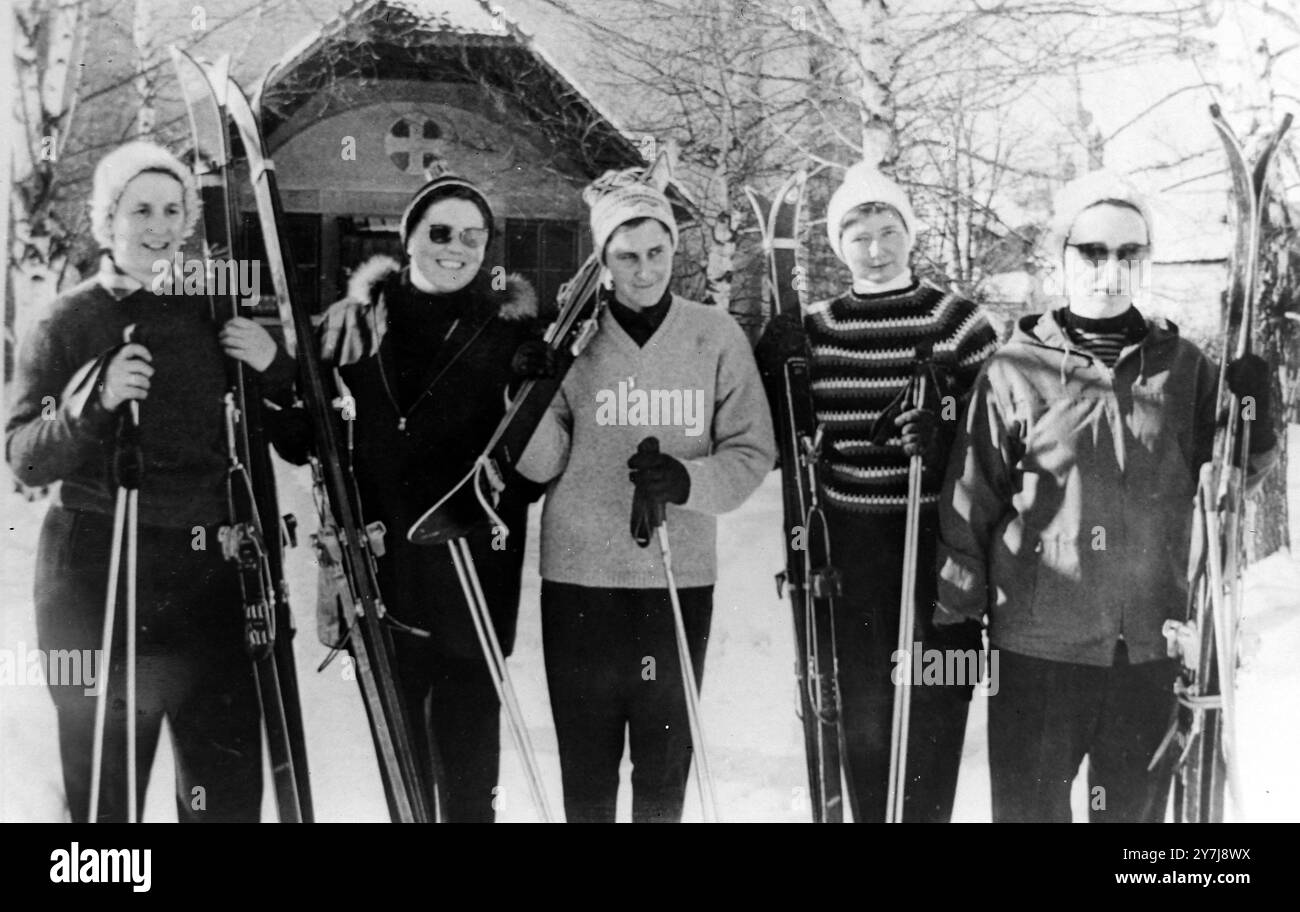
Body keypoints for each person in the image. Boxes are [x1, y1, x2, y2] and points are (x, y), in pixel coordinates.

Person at [934, 170, 1277, 822]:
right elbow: (970, 500)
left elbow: (1230, 483)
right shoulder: (1015, 368)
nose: (1110, 270)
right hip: (1037, 648)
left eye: (1129, 254)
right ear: (1060, 256)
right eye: (1092, 251)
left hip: (1149, 647)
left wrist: (1256, 428)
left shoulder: (1184, 368)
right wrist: (956, 618)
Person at [5, 140, 296, 822]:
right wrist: (90, 404)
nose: (160, 227)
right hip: (98, 562)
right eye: (141, 210)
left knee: (222, 782)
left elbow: (298, 432)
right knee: (107, 785)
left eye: (173, 210)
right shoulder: (66, 319)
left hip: (206, 571)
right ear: (108, 221)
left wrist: (273, 365)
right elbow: (22, 457)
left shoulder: (213, 313)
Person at [517, 168, 775, 822]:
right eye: (626, 256)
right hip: (580, 578)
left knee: (663, 767)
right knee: (587, 765)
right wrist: (528, 393)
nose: (643, 270)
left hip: (675, 576)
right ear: (603, 261)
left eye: (657, 252)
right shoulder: (573, 339)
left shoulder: (715, 334)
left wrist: (687, 480)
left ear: (675, 249)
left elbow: (752, 451)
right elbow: (539, 463)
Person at [756, 162, 999, 822]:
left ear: (909, 233)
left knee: (935, 703)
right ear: (839, 246)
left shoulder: (959, 323)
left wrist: (944, 432)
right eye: (857, 235)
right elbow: (782, 433)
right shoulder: (818, 328)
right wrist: (770, 358)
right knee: (863, 718)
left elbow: (995, 436)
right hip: (855, 551)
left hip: (936, 544)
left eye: (888, 230)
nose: (875, 247)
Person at [311, 173, 549, 822]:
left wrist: (524, 416)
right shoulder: (350, 323)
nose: (457, 248)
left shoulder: (513, 332)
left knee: (470, 777)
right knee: (402, 771)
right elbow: (303, 433)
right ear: (408, 236)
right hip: (383, 571)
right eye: (440, 232)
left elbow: (538, 461)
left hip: (472, 571)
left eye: (474, 237)